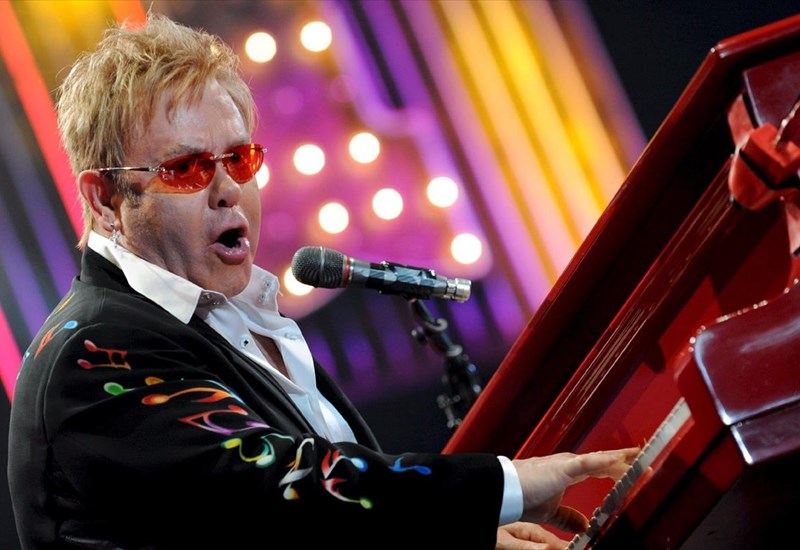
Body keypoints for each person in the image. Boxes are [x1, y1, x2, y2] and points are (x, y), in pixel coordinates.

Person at [7, 13, 638, 549]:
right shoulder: (91, 353)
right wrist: (506, 486)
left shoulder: (235, 319)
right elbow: (283, 488)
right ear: (106, 199)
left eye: (240, 158)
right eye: (187, 168)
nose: (228, 189)